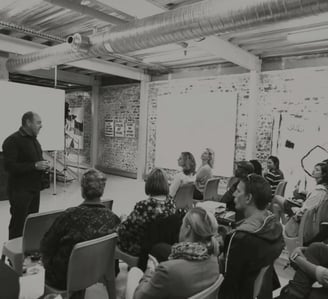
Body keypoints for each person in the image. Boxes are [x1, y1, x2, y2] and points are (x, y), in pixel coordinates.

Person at [40, 169, 120, 290]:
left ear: (82, 191)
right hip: (98, 271)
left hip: (65, 278)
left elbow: (46, 246)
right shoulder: (112, 218)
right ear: (102, 191)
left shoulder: (69, 215)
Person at [128, 207, 220, 299]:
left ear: (187, 229)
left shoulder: (167, 270)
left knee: (134, 272)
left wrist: (150, 271)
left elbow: (139, 297)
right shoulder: (215, 261)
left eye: (182, 224)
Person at [219, 174, 284, 299]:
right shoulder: (274, 225)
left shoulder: (239, 238)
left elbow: (229, 283)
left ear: (248, 198)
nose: (233, 195)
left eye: (238, 191)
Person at [2, 111, 50, 240]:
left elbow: (35, 160)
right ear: (28, 123)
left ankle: (28, 254)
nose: (41, 126)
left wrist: (44, 165)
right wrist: (34, 166)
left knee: (32, 223)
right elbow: (9, 167)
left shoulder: (34, 140)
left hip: (34, 189)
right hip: (20, 191)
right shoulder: (12, 141)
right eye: (38, 122)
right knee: (18, 226)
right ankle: (13, 257)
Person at [117, 168, 176, 257]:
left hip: (142, 250)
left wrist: (123, 219)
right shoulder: (171, 203)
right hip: (160, 249)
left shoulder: (143, 206)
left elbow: (125, 230)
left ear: (149, 183)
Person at [274, 162, 328, 241]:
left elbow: (305, 211)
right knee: (276, 207)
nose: (313, 171)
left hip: (303, 219)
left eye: (317, 170)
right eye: (314, 169)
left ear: (324, 174)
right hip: (307, 217)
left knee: (276, 198)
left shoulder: (319, 191)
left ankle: (274, 231)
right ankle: (277, 231)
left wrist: (297, 209)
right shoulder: (322, 190)